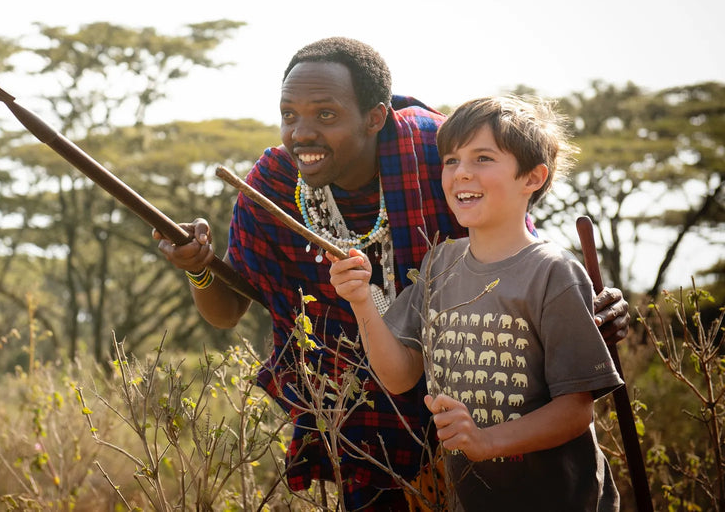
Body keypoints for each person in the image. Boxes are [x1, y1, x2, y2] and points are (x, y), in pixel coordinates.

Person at [153, 37, 629, 510]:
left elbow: (518, 259)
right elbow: (228, 310)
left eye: (325, 115)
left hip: (506, 426)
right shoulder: (273, 187)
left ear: (375, 117)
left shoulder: (435, 153)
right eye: (289, 114)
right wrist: (199, 268)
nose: (300, 133)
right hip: (364, 426)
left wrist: (583, 306)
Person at [329, 94, 623, 510]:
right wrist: (361, 300)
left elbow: (576, 412)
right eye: (451, 160)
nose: (461, 173)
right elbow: (399, 376)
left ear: (532, 178)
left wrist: (486, 441)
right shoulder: (439, 264)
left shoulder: (552, 272)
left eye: (482, 158)